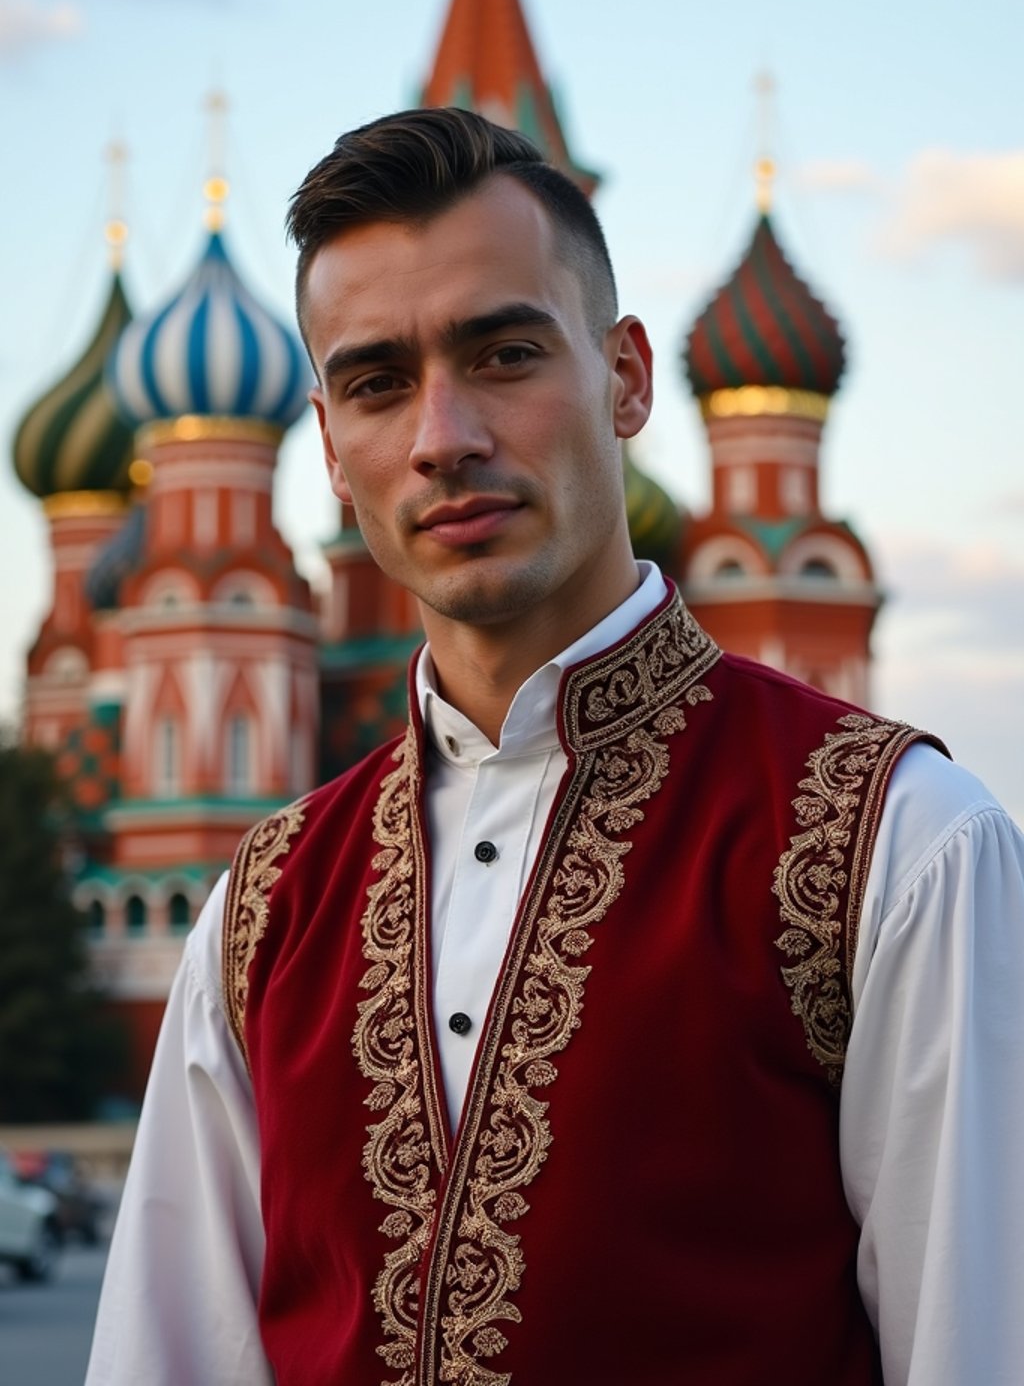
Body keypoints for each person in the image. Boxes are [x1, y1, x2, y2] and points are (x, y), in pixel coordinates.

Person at [87, 108, 1024, 1386]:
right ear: (329, 449)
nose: (443, 436)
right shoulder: (264, 910)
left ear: (627, 376)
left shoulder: (895, 842)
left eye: (505, 353)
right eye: (376, 383)